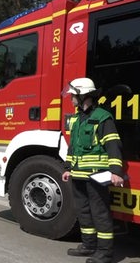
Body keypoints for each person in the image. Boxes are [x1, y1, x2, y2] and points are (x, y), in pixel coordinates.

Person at [62, 77, 124, 263]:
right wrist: (68, 168)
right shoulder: (77, 118)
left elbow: (113, 145)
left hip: (97, 175)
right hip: (78, 174)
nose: (71, 98)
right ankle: (88, 245)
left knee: (99, 213)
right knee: (83, 211)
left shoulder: (102, 117)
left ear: (83, 96)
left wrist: (116, 171)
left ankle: (105, 253)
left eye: (74, 94)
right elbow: (73, 147)